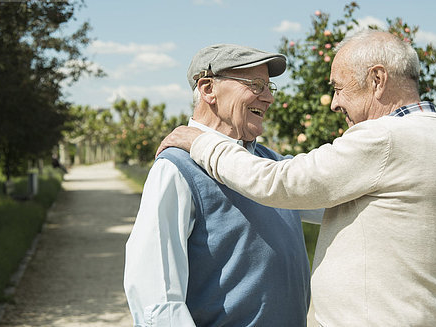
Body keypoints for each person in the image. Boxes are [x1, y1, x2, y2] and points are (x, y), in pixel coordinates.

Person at [158, 30, 436, 327]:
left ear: (376, 80)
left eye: (339, 88)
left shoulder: (386, 139)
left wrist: (198, 141)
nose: (334, 103)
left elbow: (283, 184)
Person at [124, 44, 323, 326]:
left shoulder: (272, 165)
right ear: (207, 89)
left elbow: (335, 204)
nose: (268, 98)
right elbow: (156, 294)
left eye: (269, 87)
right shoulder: (176, 168)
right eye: (256, 85)